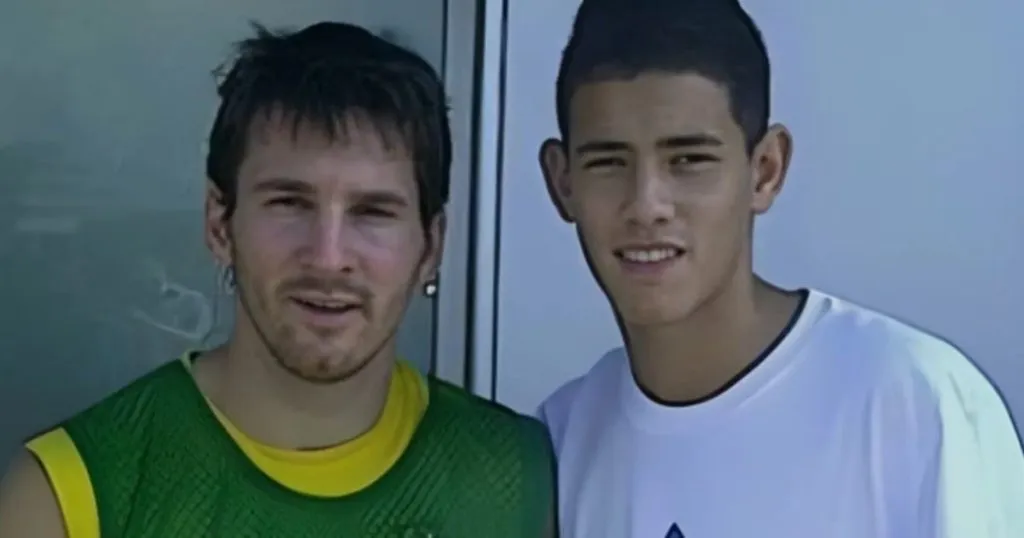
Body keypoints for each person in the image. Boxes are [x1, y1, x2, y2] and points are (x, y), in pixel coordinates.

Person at [0, 21, 555, 538]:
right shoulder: (71, 496)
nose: (328, 256)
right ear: (220, 223)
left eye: (372, 212)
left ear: (431, 247)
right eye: (289, 202)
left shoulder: (522, 478)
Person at [536, 0, 1024, 537]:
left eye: (688, 160)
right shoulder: (560, 442)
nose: (647, 203)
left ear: (765, 171)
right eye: (609, 162)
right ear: (562, 184)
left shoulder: (914, 402)